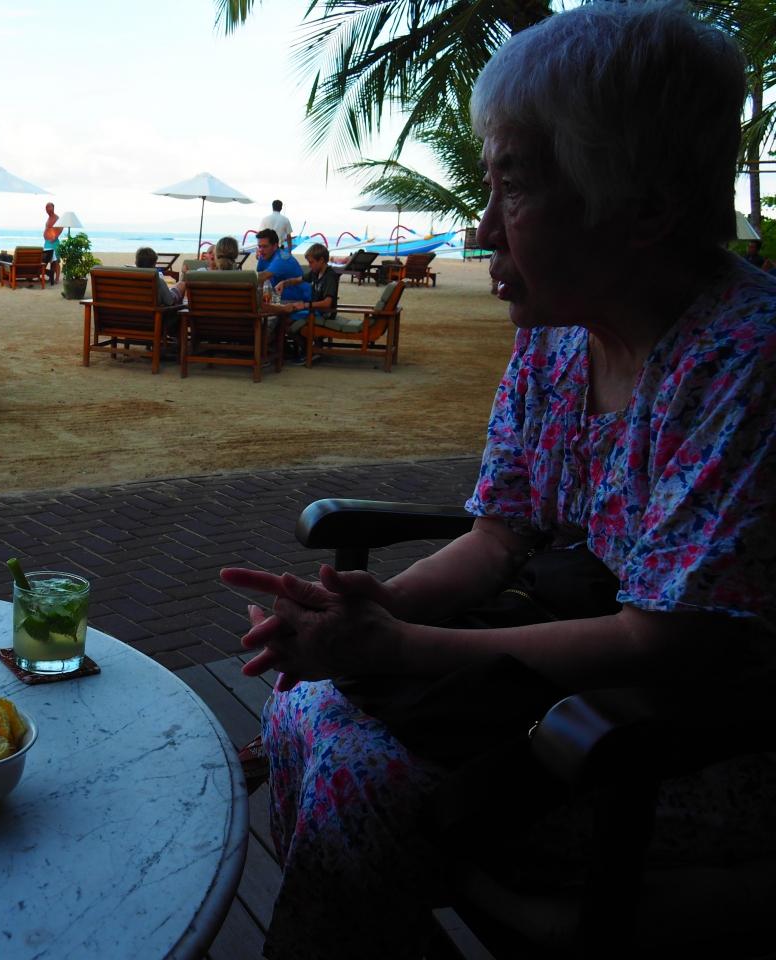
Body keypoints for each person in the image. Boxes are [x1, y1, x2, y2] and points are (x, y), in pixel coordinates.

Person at [220, 5, 776, 958]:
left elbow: (668, 643)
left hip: (694, 735)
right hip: (566, 680)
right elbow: (498, 534)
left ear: (644, 208)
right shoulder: (557, 340)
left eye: (512, 185)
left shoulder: (745, 363)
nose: (481, 229)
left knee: (357, 769)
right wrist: (374, 611)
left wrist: (401, 648)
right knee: (309, 699)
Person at [273, 242, 337, 352]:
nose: (309, 265)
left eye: (311, 262)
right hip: (313, 310)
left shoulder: (330, 276)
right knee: (286, 315)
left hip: (324, 313)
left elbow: (327, 303)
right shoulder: (315, 273)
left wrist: (304, 305)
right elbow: (298, 280)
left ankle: (307, 349)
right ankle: (303, 348)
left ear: (321, 260)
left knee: (285, 321)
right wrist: (283, 283)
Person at [44, 202, 63, 284]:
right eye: (46, 208)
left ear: (53, 208)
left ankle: (57, 278)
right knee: (48, 260)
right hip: (47, 242)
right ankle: (51, 277)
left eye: (49, 207)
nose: (47, 209)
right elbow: (47, 228)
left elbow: (61, 227)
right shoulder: (48, 218)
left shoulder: (57, 218)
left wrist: (55, 237)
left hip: (54, 242)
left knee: (56, 261)